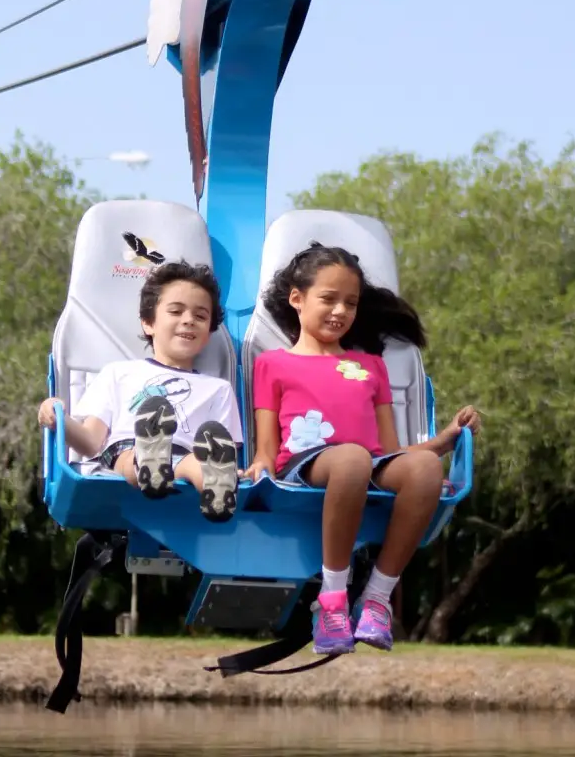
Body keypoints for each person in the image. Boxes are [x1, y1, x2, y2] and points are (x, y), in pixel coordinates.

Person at [246, 242, 481, 654]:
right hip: (304, 464)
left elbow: (390, 451)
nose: (340, 311)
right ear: (297, 299)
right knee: (352, 457)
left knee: (424, 468)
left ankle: (375, 598)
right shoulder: (273, 364)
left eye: (350, 303)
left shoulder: (371, 366)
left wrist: (444, 441)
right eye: (328, 299)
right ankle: (333, 600)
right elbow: (267, 448)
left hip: (366, 463)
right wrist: (259, 467)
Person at [38, 260, 242, 522]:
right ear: (148, 323)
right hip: (132, 446)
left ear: (209, 332)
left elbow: (228, 450)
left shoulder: (218, 389)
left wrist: (229, 467)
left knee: (197, 463)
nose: (189, 320)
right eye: (176, 311)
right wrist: (58, 419)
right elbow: (91, 442)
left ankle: (217, 492)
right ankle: (149, 464)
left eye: (200, 316)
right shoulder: (119, 374)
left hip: (188, 451)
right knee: (132, 457)